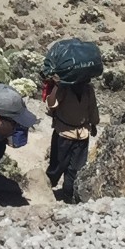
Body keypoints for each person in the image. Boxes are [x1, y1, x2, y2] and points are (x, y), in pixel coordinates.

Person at [43, 73, 98, 204]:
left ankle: (68, 194)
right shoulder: (63, 88)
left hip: (82, 134)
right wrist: (56, 86)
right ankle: (46, 189)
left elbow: (92, 108)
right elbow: (52, 104)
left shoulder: (88, 90)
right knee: (57, 166)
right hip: (63, 133)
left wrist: (94, 123)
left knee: (76, 167)